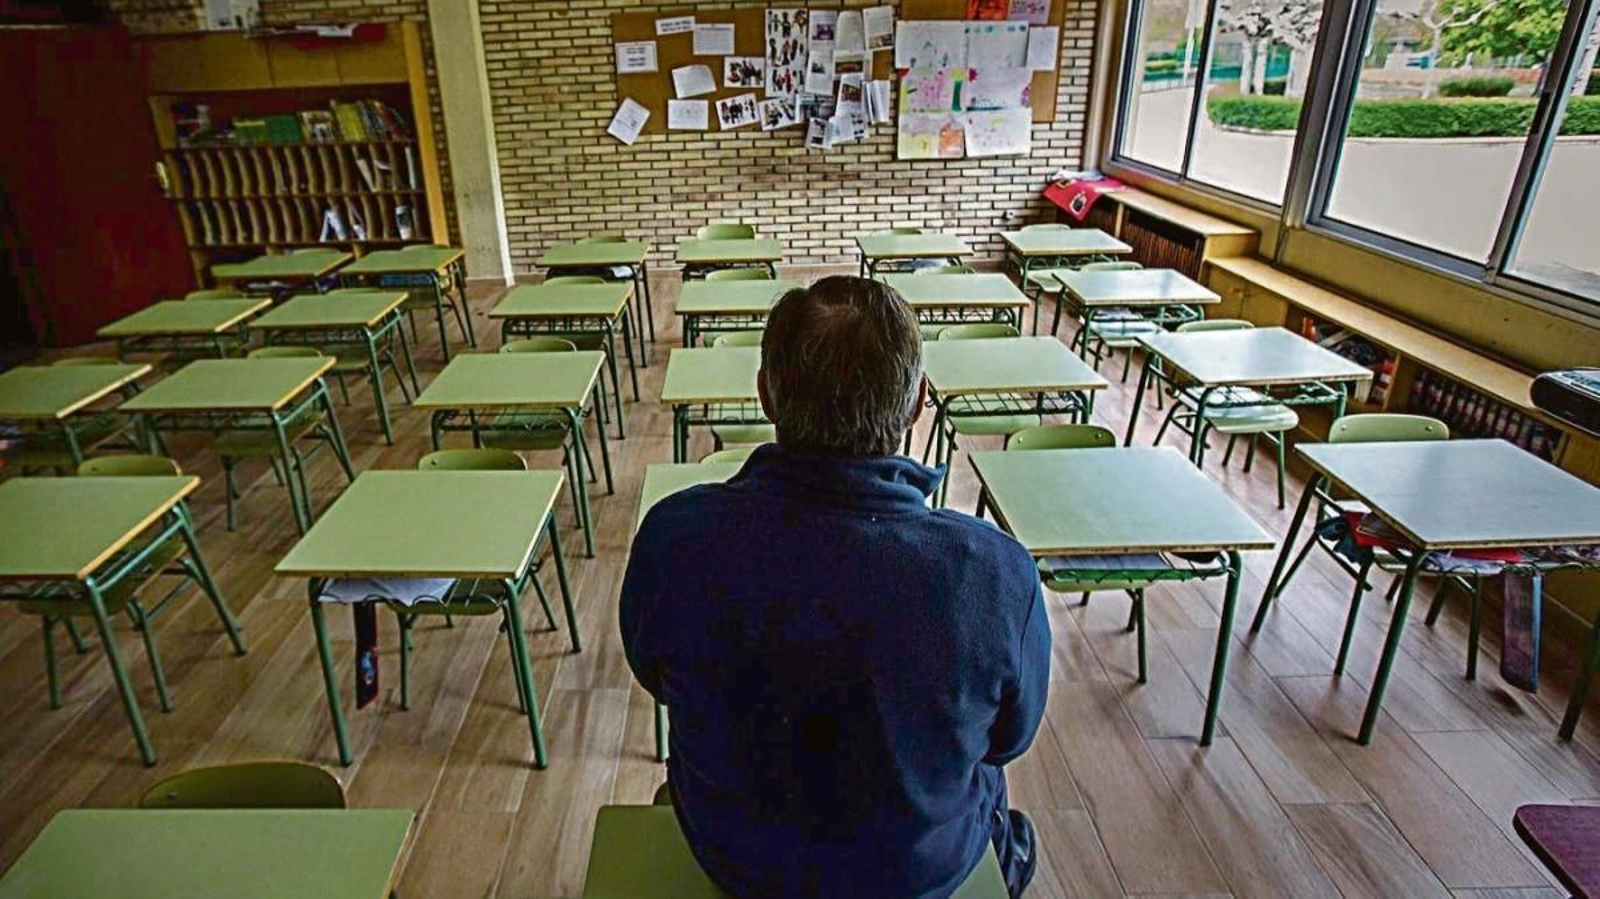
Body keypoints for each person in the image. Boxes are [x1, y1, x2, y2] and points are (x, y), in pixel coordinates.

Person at [621, 276, 1050, 898]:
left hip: (737, 861)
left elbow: (653, 674)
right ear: (916, 405)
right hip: (915, 874)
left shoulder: (674, 536)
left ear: (765, 394)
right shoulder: (995, 570)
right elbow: (1010, 739)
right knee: (992, 799)